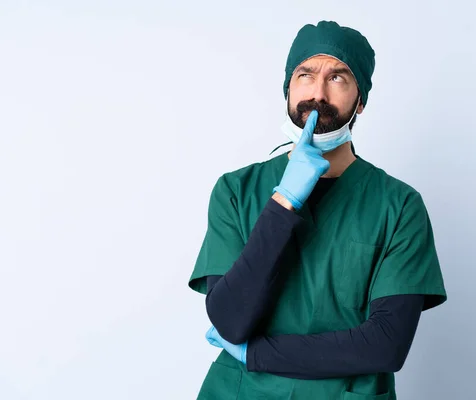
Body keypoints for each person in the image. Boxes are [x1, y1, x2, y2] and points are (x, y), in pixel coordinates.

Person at [188, 20, 447, 400]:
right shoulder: (235, 191)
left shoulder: (399, 205)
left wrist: (257, 354)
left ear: (361, 100)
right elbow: (230, 320)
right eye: (305, 75)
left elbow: (385, 345)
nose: (318, 94)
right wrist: (284, 201)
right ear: (288, 90)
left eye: (338, 77)